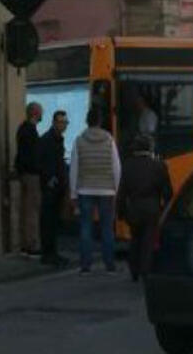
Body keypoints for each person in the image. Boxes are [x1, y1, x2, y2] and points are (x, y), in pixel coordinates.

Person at [69, 108, 122, 274]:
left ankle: (85, 265)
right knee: (107, 228)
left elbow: (74, 168)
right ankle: (109, 264)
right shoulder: (109, 140)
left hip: (85, 188)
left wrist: (73, 193)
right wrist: (116, 189)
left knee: (86, 227)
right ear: (100, 121)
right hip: (107, 190)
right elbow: (116, 167)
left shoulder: (78, 141)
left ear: (87, 121)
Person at [116, 134, 173, 282]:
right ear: (149, 148)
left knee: (135, 238)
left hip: (133, 208)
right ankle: (146, 270)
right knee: (148, 240)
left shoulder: (127, 166)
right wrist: (166, 208)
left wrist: (120, 212)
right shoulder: (158, 166)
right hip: (152, 207)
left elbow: (122, 192)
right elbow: (167, 191)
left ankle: (134, 269)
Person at [37, 110, 70, 266]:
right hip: (51, 186)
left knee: (54, 221)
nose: (63, 125)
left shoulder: (58, 139)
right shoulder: (47, 140)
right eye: (61, 122)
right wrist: (50, 179)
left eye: (65, 122)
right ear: (54, 122)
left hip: (57, 186)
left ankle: (52, 252)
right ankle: (48, 253)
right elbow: (44, 162)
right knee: (48, 220)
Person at [14, 101, 44, 256]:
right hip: (32, 175)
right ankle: (32, 244)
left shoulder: (22, 129)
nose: (42, 115)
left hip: (23, 174)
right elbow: (33, 155)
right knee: (32, 210)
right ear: (35, 113)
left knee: (25, 209)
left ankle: (24, 243)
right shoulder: (31, 131)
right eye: (40, 112)